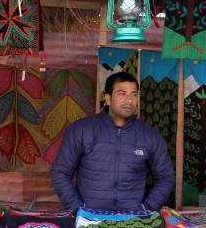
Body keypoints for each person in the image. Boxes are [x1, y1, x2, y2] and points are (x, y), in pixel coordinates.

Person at [51, 72, 175, 211]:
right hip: (89, 218)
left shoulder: (149, 135)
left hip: (132, 220)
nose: (129, 100)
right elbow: (61, 172)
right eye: (122, 93)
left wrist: (145, 208)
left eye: (134, 94)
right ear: (108, 99)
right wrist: (77, 209)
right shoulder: (81, 130)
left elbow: (166, 177)